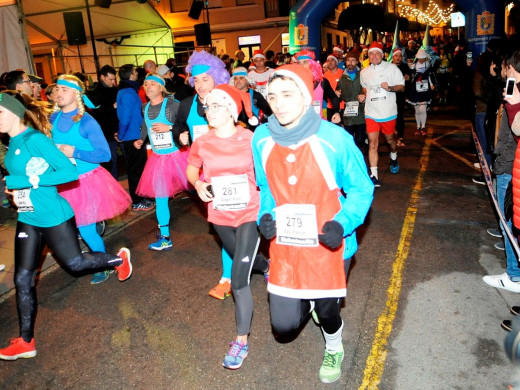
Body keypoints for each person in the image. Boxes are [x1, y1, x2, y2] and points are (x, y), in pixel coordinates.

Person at [251, 64, 374, 383]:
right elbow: (265, 187)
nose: (278, 103)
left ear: (306, 98)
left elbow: (362, 187)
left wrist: (343, 223)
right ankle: (308, 301)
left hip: (329, 241)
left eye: (288, 95)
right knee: (283, 326)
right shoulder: (261, 138)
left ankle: (334, 344)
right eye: (273, 96)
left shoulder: (334, 138)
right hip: (287, 243)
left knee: (328, 310)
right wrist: (266, 216)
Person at [0, 90, 132, 360]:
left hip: (53, 216)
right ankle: (26, 341)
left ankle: (117, 260)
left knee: (75, 264)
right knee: (22, 279)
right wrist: (16, 191)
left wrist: (30, 182)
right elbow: (20, 176)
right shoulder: (10, 143)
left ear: (13, 111)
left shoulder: (35, 139)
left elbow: (68, 172)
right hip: (28, 216)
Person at [187, 84, 269, 369]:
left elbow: (266, 172)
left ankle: (241, 342)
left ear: (231, 111)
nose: (210, 111)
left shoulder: (250, 138)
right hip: (220, 215)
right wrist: (198, 183)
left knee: (238, 280)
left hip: (249, 213)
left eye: (216, 106)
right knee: (243, 260)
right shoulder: (203, 141)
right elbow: (191, 167)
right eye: (208, 107)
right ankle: (267, 267)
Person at [51, 74, 132, 284]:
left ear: (77, 94)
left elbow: (104, 155)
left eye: (64, 89)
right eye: (57, 89)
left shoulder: (87, 121)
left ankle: (104, 265)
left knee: (85, 228)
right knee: (66, 227)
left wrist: (74, 151)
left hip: (84, 182)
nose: (59, 93)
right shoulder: (54, 119)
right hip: (61, 182)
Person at [172, 50, 234, 300]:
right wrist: (180, 138)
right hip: (206, 176)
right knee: (223, 227)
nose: (199, 86)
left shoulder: (231, 99)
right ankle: (230, 275)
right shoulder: (187, 105)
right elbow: (177, 126)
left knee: (241, 224)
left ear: (217, 78)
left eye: (205, 80)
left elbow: (248, 128)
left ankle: (252, 266)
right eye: (195, 81)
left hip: (233, 171)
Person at [134, 73, 188, 250]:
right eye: (145, 84)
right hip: (158, 159)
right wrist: (142, 139)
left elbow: (186, 126)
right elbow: (145, 125)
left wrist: (170, 127)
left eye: (152, 84)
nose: (148, 87)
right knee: (161, 198)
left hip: (178, 156)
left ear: (161, 88)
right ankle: (165, 237)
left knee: (197, 187)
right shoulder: (145, 107)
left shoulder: (172, 105)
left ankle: (223, 221)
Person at [360, 41, 405, 187]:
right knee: (373, 143)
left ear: (382, 55)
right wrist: (363, 96)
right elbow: (365, 89)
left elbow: (402, 87)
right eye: (371, 53)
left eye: (377, 53)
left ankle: (393, 156)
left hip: (388, 112)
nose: (374, 56)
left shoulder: (391, 68)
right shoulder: (364, 72)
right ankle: (374, 175)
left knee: (390, 140)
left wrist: (390, 88)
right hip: (371, 112)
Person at [116, 64, 153, 211]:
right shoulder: (128, 93)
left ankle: (141, 197)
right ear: (131, 74)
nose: (137, 73)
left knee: (139, 169)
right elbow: (125, 118)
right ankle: (137, 201)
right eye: (135, 71)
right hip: (132, 137)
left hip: (134, 135)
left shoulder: (129, 91)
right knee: (135, 171)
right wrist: (121, 135)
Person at [87, 65, 120, 179]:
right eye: (110, 79)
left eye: (114, 79)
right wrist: (112, 107)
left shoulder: (115, 90)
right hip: (106, 132)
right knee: (111, 161)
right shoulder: (95, 93)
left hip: (119, 129)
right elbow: (96, 113)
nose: (113, 82)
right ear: (102, 77)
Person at [294, 49, 340, 123]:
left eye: (305, 62)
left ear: (312, 64)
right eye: (299, 63)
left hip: (318, 123)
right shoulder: (293, 83)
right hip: (300, 124)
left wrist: (337, 112)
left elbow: (333, 97)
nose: (302, 65)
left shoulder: (322, 82)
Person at [336, 51, 366, 148]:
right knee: (349, 140)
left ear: (357, 62)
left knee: (360, 140)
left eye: (353, 60)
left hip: (361, 113)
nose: (350, 63)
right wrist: (337, 94)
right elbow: (338, 95)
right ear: (345, 62)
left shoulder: (363, 75)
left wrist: (364, 96)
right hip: (348, 115)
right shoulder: (342, 78)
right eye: (348, 60)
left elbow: (369, 91)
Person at [407, 49, 437, 136]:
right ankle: (418, 127)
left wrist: (432, 84)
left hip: (425, 89)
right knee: (417, 111)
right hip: (415, 89)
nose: (421, 60)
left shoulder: (428, 65)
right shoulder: (413, 66)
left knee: (422, 109)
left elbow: (430, 76)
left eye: (422, 58)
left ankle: (423, 127)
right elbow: (410, 77)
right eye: (419, 58)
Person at [391, 48, 411, 147]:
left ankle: (400, 137)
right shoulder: (388, 67)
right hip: (389, 95)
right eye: (396, 56)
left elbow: (410, 79)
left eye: (400, 56)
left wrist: (409, 78)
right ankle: (391, 137)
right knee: (390, 116)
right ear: (393, 57)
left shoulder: (405, 67)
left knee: (400, 116)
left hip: (400, 95)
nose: (398, 58)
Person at [324, 54, 345, 121]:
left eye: (332, 60)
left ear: (336, 62)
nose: (330, 62)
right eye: (328, 61)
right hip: (330, 106)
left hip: (342, 105)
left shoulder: (343, 73)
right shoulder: (325, 75)